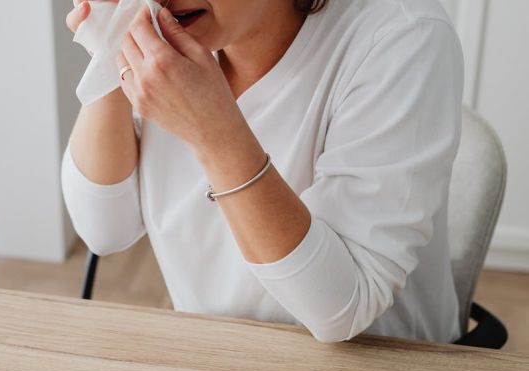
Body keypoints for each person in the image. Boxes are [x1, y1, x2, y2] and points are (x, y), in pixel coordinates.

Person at [61, 0, 463, 343]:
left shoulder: (403, 36)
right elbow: (104, 230)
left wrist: (215, 133)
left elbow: (342, 310)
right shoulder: (164, 34)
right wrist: (109, 51)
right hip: (219, 360)